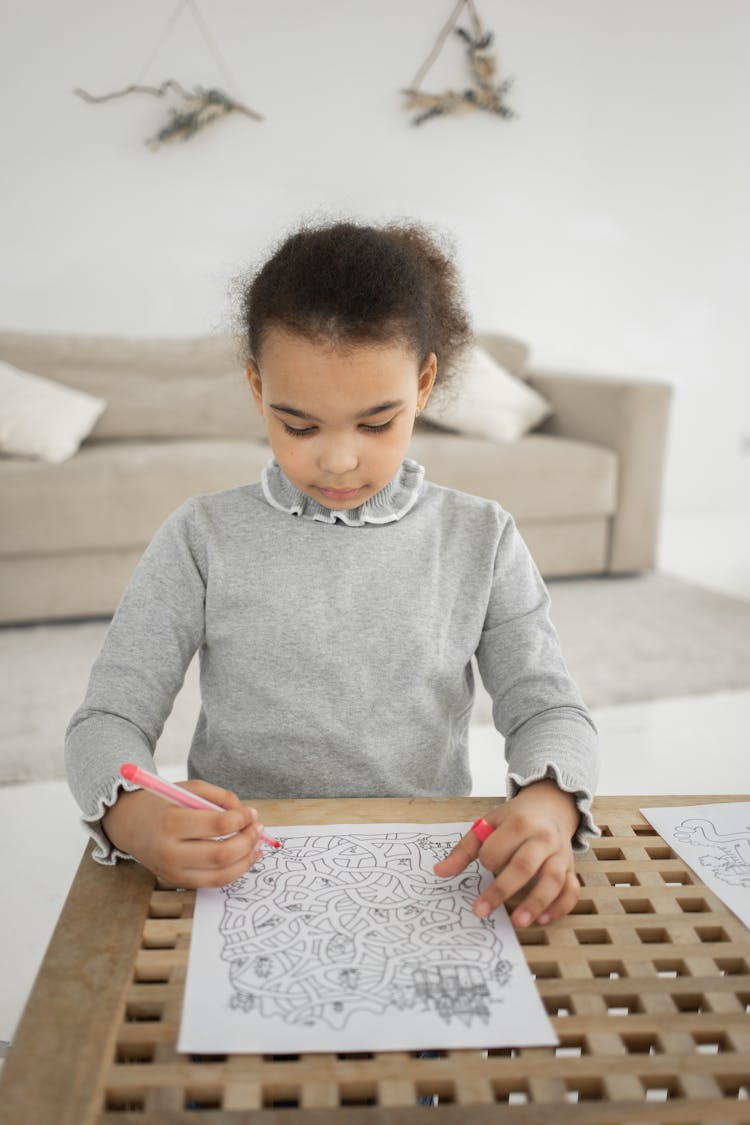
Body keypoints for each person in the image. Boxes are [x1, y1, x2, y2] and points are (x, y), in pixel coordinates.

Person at [65, 219, 599, 928]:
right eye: (300, 426)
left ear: (425, 383)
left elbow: (549, 710)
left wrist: (548, 802)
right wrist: (136, 819)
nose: (340, 460)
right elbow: (106, 721)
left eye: (376, 423)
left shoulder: (482, 536)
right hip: (239, 877)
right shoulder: (201, 536)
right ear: (258, 390)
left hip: (426, 873)